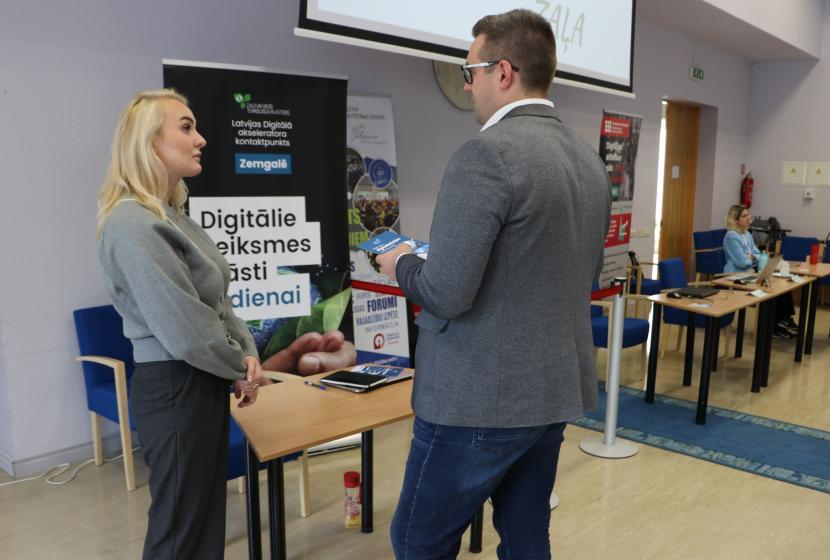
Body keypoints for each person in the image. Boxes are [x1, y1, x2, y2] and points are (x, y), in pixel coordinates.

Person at [376, 10, 611, 559]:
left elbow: (446, 293)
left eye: (470, 71)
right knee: (526, 537)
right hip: (551, 390)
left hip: (478, 397)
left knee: (417, 540)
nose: (467, 84)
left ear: (502, 72)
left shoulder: (486, 154)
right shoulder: (587, 159)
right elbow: (578, 271)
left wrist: (401, 264)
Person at [97, 89, 264, 559]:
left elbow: (217, 301)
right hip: (175, 387)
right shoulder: (132, 224)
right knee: (179, 534)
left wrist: (246, 353)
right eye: (186, 128)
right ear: (148, 141)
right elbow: (186, 329)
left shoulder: (171, 216)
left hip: (198, 382)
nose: (201, 139)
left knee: (203, 524)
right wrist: (238, 366)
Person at [723, 204, 798, 339]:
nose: (749, 218)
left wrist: (751, 257)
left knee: (780, 285)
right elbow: (742, 262)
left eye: (748, 215)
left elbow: (759, 254)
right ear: (735, 220)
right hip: (737, 276)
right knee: (770, 290)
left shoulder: (747, 234)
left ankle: (784, 319)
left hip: (751, 273)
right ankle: (774, 326)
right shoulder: (731, 236)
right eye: (744, 216)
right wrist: (753, 258)